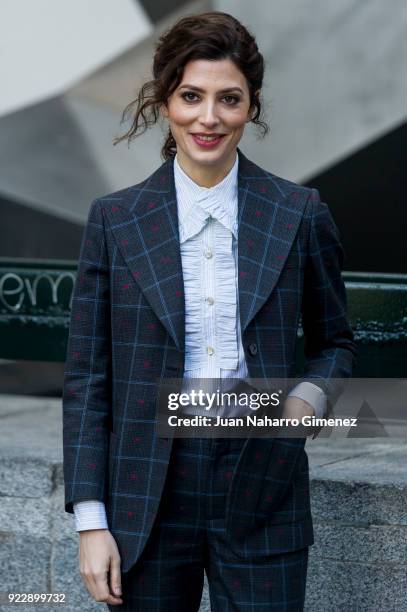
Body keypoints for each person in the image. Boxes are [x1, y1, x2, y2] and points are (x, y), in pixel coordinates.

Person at [62, 11, 356, 611]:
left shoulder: (298, 212)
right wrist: (91, 521)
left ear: (251, 106)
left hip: (263, 479)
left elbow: (336, 344)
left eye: (229, 99)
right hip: (146, 492)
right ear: (165, 100)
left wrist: (304, 403)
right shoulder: (116, 220)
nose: (209, 117)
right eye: (191, 96)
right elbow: (89, 381)